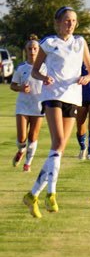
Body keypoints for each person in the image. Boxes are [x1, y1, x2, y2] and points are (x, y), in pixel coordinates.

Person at [22, 6, 90, 218]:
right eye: (66, 20)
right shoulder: (49, 43)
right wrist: (44, 78)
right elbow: (35, 71)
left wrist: (86, 78)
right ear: (57, 23)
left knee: (60, 148)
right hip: (52, 96)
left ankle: (33, 194)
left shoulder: (80, 43)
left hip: (73, 97)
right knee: (58, 142)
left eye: (73, 21)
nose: (70, 24)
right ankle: (51, 194)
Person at [10, 36, 45, 172]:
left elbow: (51, 83)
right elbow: (13, 85)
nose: (32, 51)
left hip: (38, 106)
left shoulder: (45, 67)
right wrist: (21, 88)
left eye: (35, 48)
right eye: (30, 48)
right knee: (22, 138)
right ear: (26, 50)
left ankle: (28, 163)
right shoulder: (21, 67)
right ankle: (21, 151)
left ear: (39, 50)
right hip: (23, 106)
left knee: (33, 137)